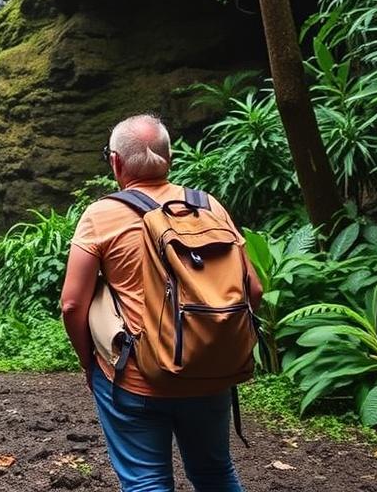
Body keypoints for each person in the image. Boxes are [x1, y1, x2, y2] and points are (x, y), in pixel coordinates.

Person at [60, 114, 262, 492]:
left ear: (116, 162)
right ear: (169, 159)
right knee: (216, 474)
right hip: (209, 372)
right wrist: (216, 346)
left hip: (136, 377)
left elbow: (72, 304)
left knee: (146, 482)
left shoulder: (100, 216)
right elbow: (254, 291)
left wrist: (90, 364)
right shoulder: (210, 208)